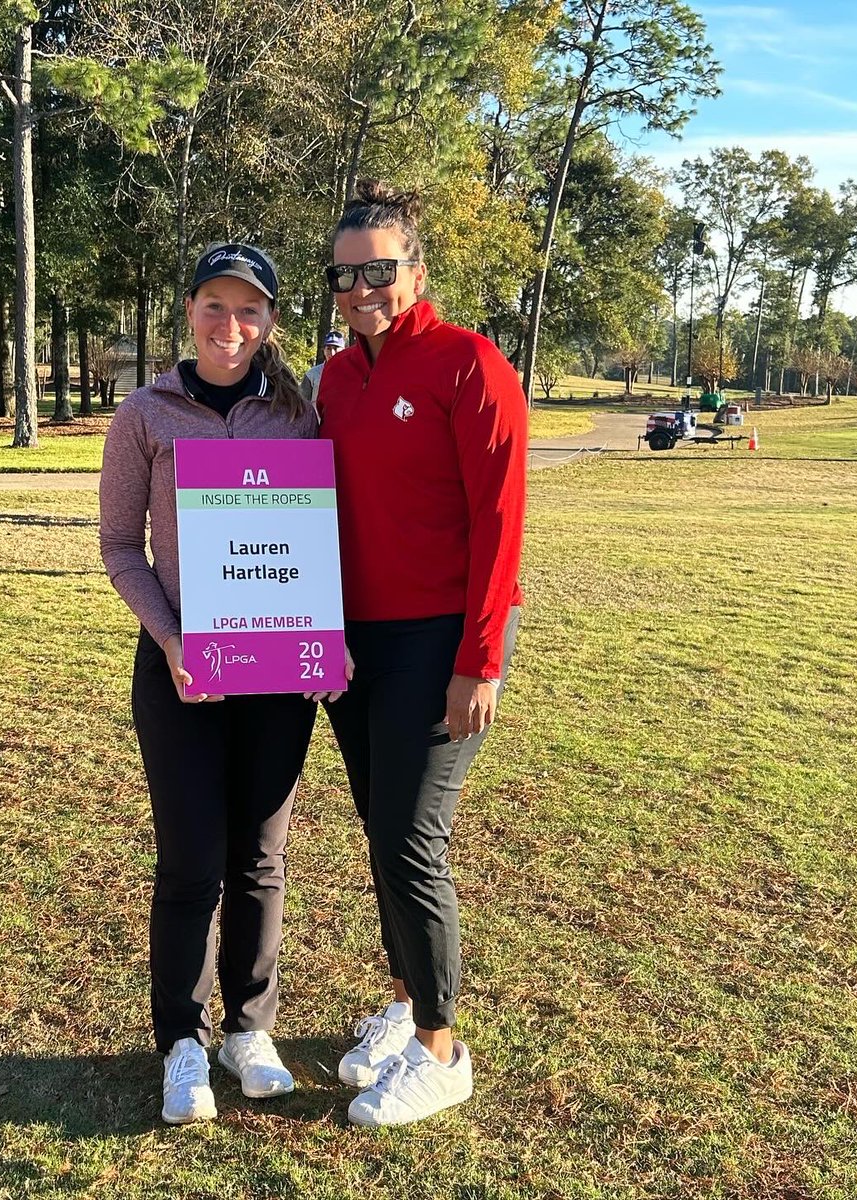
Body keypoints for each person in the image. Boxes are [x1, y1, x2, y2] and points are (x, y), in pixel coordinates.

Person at [316, 181, 528, 1127]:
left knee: (412, 837)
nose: (362, 288)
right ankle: (407, 1008)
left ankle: (442, 1051)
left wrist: (479, 662)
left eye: (379, 270)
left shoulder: (470, 364)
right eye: (345, 275)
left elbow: (499, 524)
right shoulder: (332, 378)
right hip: (353, 644)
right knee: (382, 830)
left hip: (443, 639)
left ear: (416, 271)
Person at [99, 243, 318, 1125]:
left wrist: (323, 637)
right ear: (189, 310)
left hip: (276, 673)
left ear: (270, 321)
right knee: (191, 863)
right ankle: (183, 1044)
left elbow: (315, 541)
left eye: (251, 310)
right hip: (181, 669)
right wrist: (175, 637)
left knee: (260, 861)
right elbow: (120, 547)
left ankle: (248, 1031)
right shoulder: (145, 412)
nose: (233, 326)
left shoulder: (298, 413)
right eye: (216, 307)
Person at [300, 329, 346, 408]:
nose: (332, 353)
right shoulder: (312, 374)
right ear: (324, 350)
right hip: (318, 419)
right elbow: (302, 404)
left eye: (335, 348)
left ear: (344, 350)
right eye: (328, 348)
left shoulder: (352, 373)